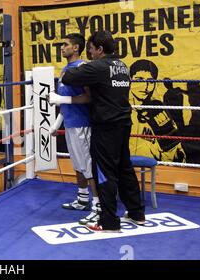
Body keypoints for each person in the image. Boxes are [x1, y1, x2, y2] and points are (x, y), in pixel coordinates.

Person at [49, 30, 145, 232]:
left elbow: (70, 76)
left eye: (92, 50)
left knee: (103, 172)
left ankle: (108, 221)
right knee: (125, 168)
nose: (90, 54)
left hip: (106, 125)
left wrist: (78, 67)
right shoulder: (122, 65)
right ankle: (137, 213)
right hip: (122, 122)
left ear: (100, 49)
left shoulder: (100, 66)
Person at [50, 33, 100, 225]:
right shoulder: (65, 70)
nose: (62, 48)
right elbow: (65, 102)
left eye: (66, 45)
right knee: (78, 165)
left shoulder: (83, 68)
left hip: (83, 124)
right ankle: (83, 199)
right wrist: (56, 124)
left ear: (76, 48)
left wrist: (60, 99)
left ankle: (98, 207)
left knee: (88, 167)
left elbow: (89, 97)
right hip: (70, 123)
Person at [129, 59, 185, 162]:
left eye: (150, 81)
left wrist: (168, 142)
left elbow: (178, 156)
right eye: (140, 80)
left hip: (154, 171)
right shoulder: (120, 108)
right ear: (130, 79)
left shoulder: (158, 110)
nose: (146, 87)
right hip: (124, 169)